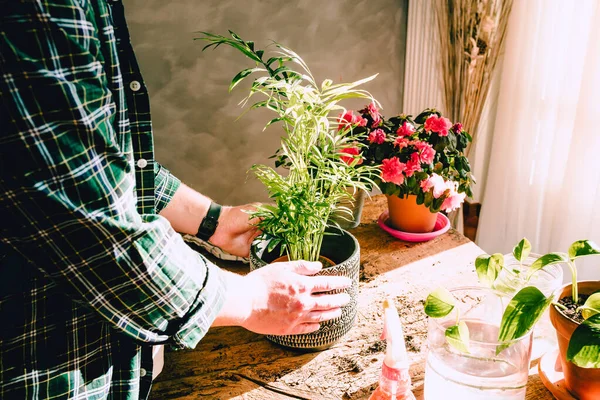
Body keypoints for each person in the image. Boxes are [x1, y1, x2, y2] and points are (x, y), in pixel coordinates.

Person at [0, 1, 351, 399]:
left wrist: (215, 222)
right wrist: (252, 300)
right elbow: (93, 222)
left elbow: (107, 160)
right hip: (43, 370)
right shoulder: (35, 10)